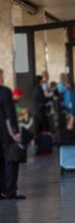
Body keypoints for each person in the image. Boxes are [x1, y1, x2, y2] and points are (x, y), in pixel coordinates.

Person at [0, 68, 24, 200]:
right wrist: (15, 132)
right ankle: (10, 191)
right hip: (5, 133)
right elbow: (10, 114)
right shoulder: (4, 92)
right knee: (10, 161)